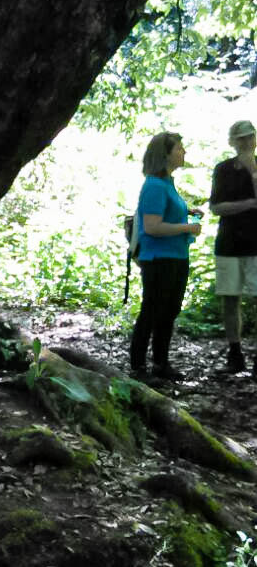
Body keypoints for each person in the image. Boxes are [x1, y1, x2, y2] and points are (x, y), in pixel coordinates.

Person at [129, 132, 202, 382]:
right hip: (158, 258)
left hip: (176, 256)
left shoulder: (167, 183)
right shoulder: (154, 186)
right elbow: (151, 227)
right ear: (166, 154)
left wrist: (187, 212)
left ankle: (161, 363)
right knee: (151, 310)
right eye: (180, 148)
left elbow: (166, 214)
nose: (184, 152)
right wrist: (187, 228)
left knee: (169, 311)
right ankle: (138, 367)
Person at [209, 118, 257, 373]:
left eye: (250, 136)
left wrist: (253, 172)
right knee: (230, 300)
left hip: (256, 245)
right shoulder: (222, 169)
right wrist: (249, 204)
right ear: (232, 141)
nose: (246, 142)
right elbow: (216, 207)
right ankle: (235, 353)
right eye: (241, 138)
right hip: (228, 244)